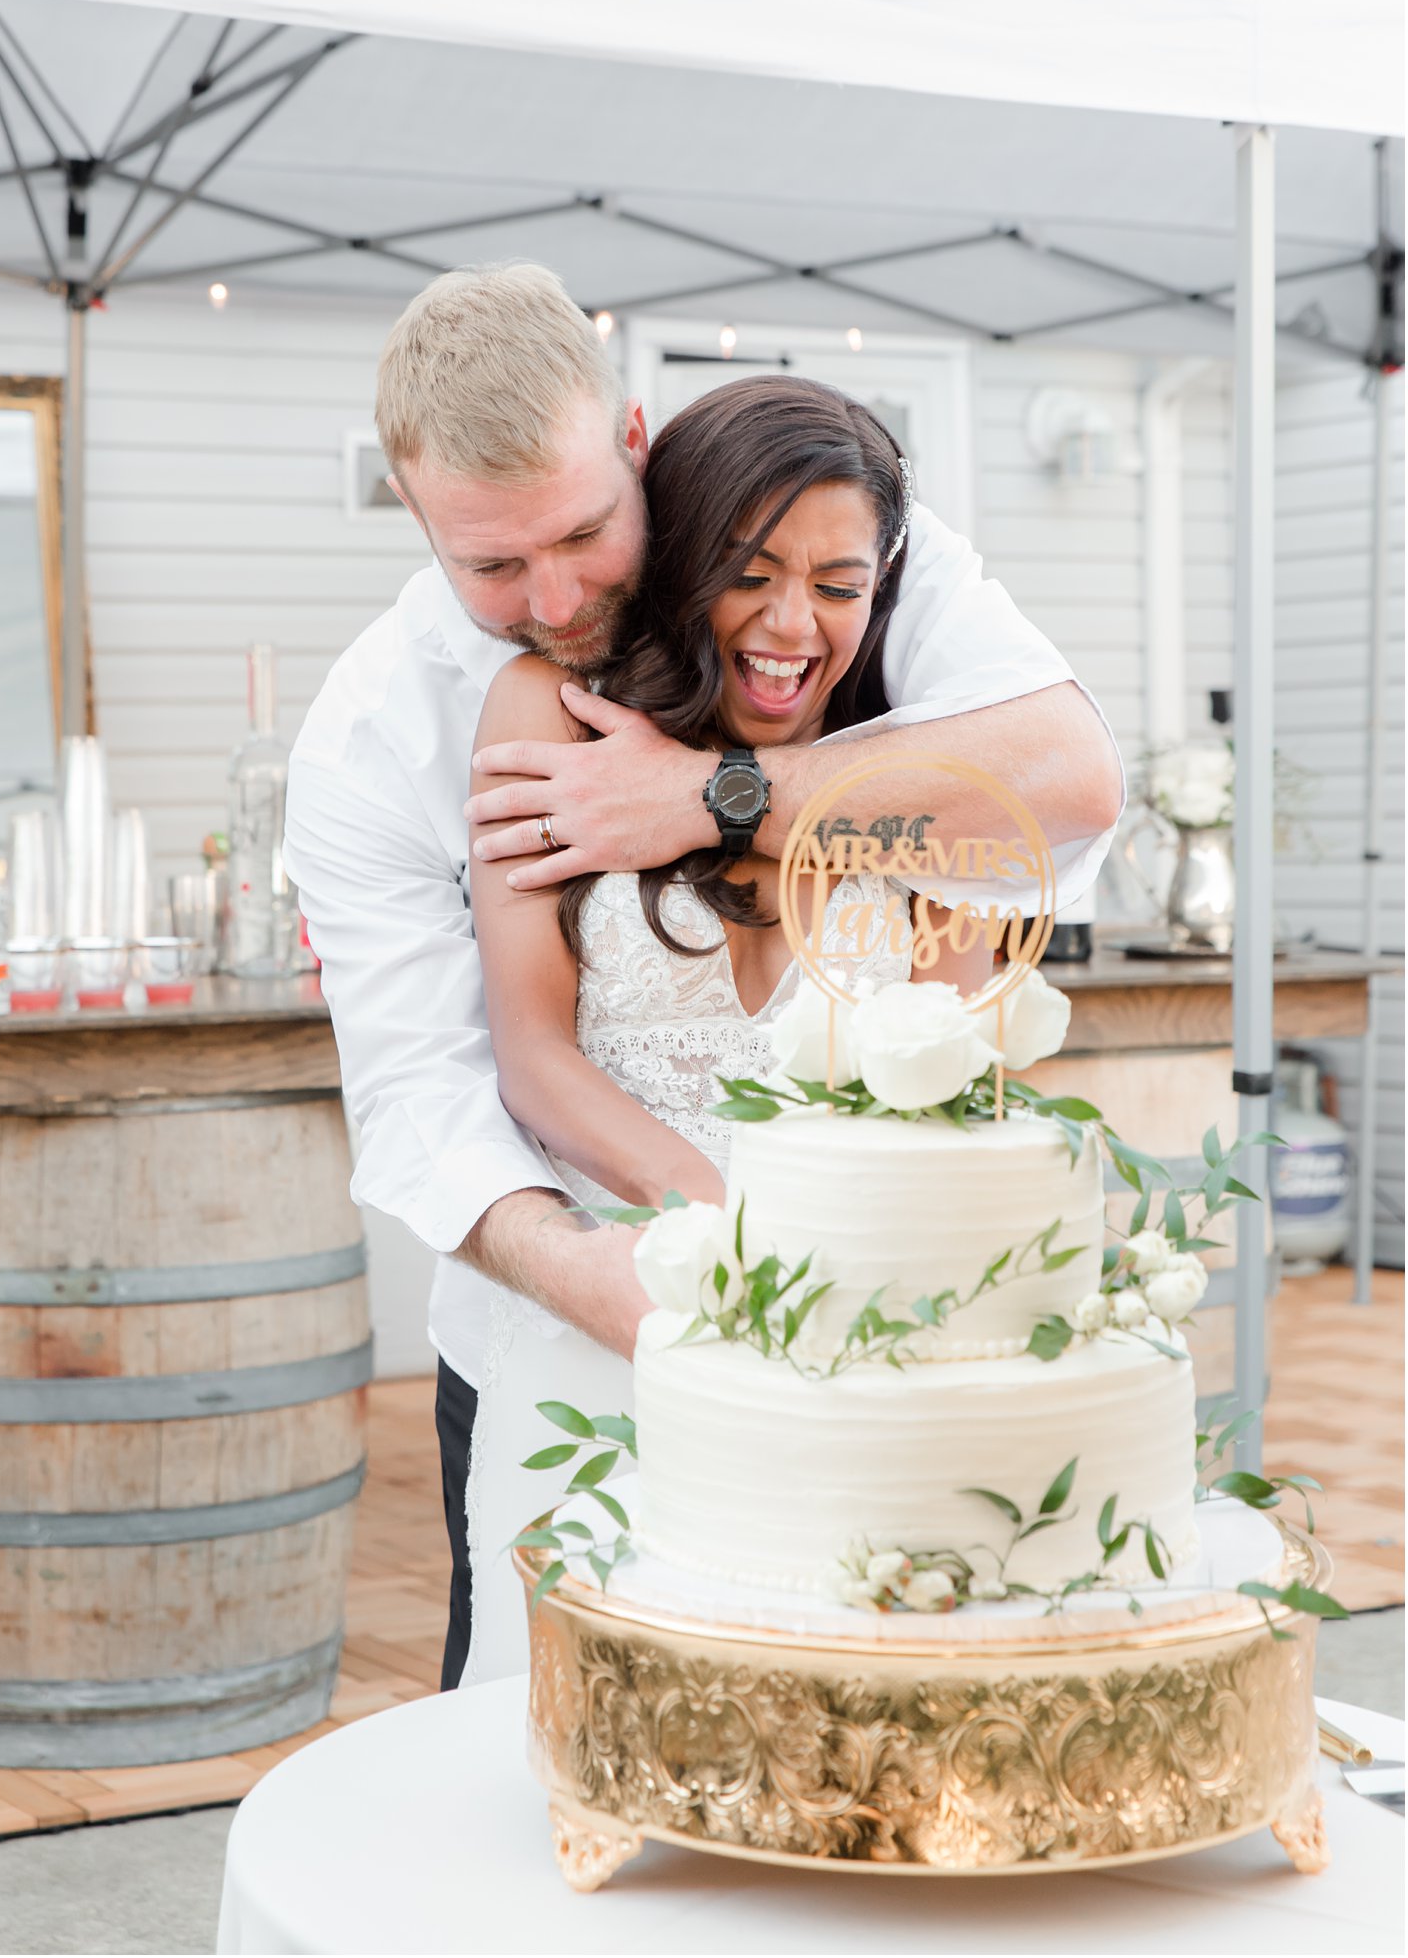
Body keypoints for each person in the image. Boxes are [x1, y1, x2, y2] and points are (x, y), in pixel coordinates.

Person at [283, 262, 1123, 1689]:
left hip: (863, 1334)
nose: (550, 596)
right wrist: (670, 1270)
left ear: (638, 444)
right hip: (575, 1306)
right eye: (488, 564)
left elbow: (1061, 785)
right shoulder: (382, 735)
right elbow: (440, 1084)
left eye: (581, 536)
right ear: (415, 520)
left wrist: (714, 796)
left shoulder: (818, 552)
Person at [460, 372, 997, 1682]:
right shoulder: (547, 710)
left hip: (845, 1361)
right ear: (687, 553)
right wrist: (739, 1258)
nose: (792, 622)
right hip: (612, 1326)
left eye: (839, 582)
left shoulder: (915, 776)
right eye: (752, 570)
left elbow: (958, 1086)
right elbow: (533, 1054)